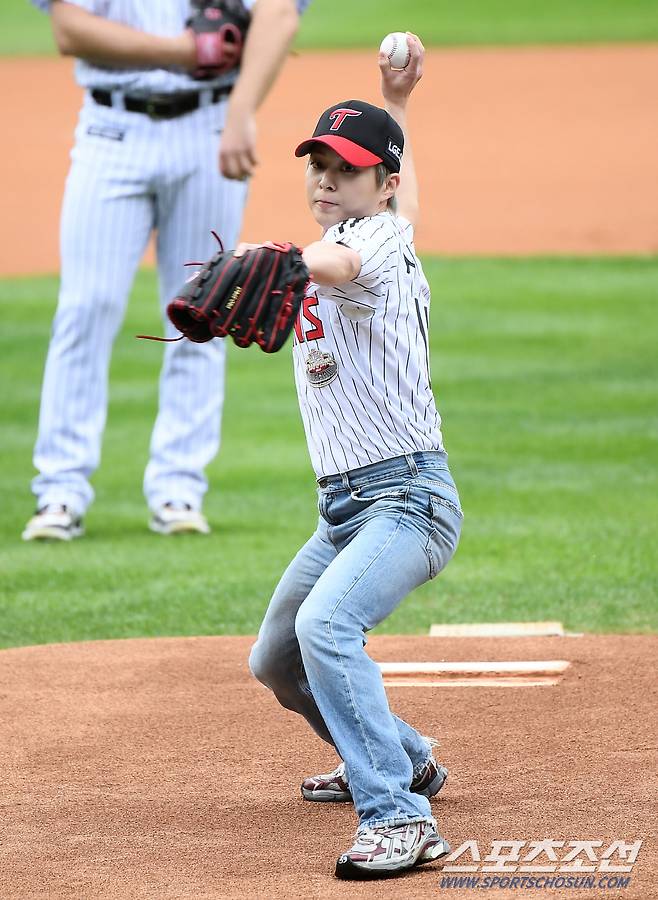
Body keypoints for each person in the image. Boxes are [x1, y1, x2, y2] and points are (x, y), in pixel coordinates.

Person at [245, 35, 463, 879]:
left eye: (347, 167)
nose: (326, 180)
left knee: (325, 628)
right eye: (318, 164)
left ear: (383, 183)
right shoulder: (362, 228)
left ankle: (401, 820)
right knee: (276, 659)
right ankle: (404, 757)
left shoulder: (374, 246)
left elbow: (341, 254)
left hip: (408, 498)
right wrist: (394, 100)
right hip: (342, 508)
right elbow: (358, 208)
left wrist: (279, 259)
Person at [22, 0, 309, 541]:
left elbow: (279, 14)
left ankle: (179, 487)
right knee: (86, 306)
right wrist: (185, 50)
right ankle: (59, 490)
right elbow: (69, 27)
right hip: (112, 130)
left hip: (210, 126)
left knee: (204, 307)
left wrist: (241, 114)